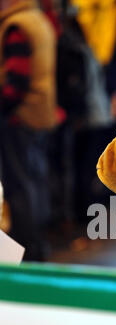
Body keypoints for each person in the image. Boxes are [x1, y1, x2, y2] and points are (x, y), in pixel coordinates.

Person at [0, 0, 57, 260]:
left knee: (20, 187)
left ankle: (29, 252)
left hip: (20, 115)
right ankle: (38, 246)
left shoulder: (16, 25)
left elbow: (16, 81)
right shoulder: (38, 18)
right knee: (35, 182)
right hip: (41, 112)